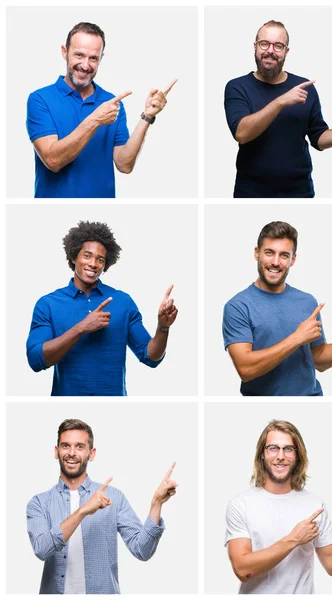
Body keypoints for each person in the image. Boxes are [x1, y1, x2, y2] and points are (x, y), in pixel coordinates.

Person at [222, 221, 332, 395]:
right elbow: (246, 369)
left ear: (292, 259)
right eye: (269, 253)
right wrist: (297, 338)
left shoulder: (307, 301)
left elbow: (319, 360)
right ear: (256, 253)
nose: (275, 262)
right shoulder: (238, 306)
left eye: (284, 255)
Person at [224, 20, 332, 197]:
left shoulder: (304, 88)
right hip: (251, 192)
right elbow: (242, 134)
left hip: (299, 192)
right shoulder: (237, 87)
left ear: (286, 51)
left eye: (278, 46)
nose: (270, 51)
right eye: (264, 44)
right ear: (255, 46)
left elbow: (318, 139)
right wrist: (281, 101)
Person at [26, 221, 178, 396]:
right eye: (87, 256)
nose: (93, 264)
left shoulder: (122, 301)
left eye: (100, 259)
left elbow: (151, 357)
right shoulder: (48, 304)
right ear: (74, 257)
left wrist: (163, 327)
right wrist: (81, 328)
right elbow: (35, 360)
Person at [26, 22, 177, 198]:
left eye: (93, 58)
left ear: (101, 58)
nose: (85, 64)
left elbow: (124, 164)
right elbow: (52, 160)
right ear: (64, 52)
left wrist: (147, 117)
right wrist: (95, 120)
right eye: (79, 55)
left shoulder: (111, 103)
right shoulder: (40, 99)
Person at [27, 419, 177, 594]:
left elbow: (142, 550)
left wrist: (156, 504)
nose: (72, 453)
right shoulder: (39, 503)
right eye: (66, 446)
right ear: (56, 451)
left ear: (92, 453)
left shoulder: (114, 497)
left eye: (80, 447)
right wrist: (83, 510)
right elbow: (41, 550)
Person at [225, 419, 332, 593]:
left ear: (297, 456)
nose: (280, 456)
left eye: (288, 449)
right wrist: (294, 539)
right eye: (273, 448)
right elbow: (243, 569)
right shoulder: (241, 505)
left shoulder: (314, 505)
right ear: (262, 454)